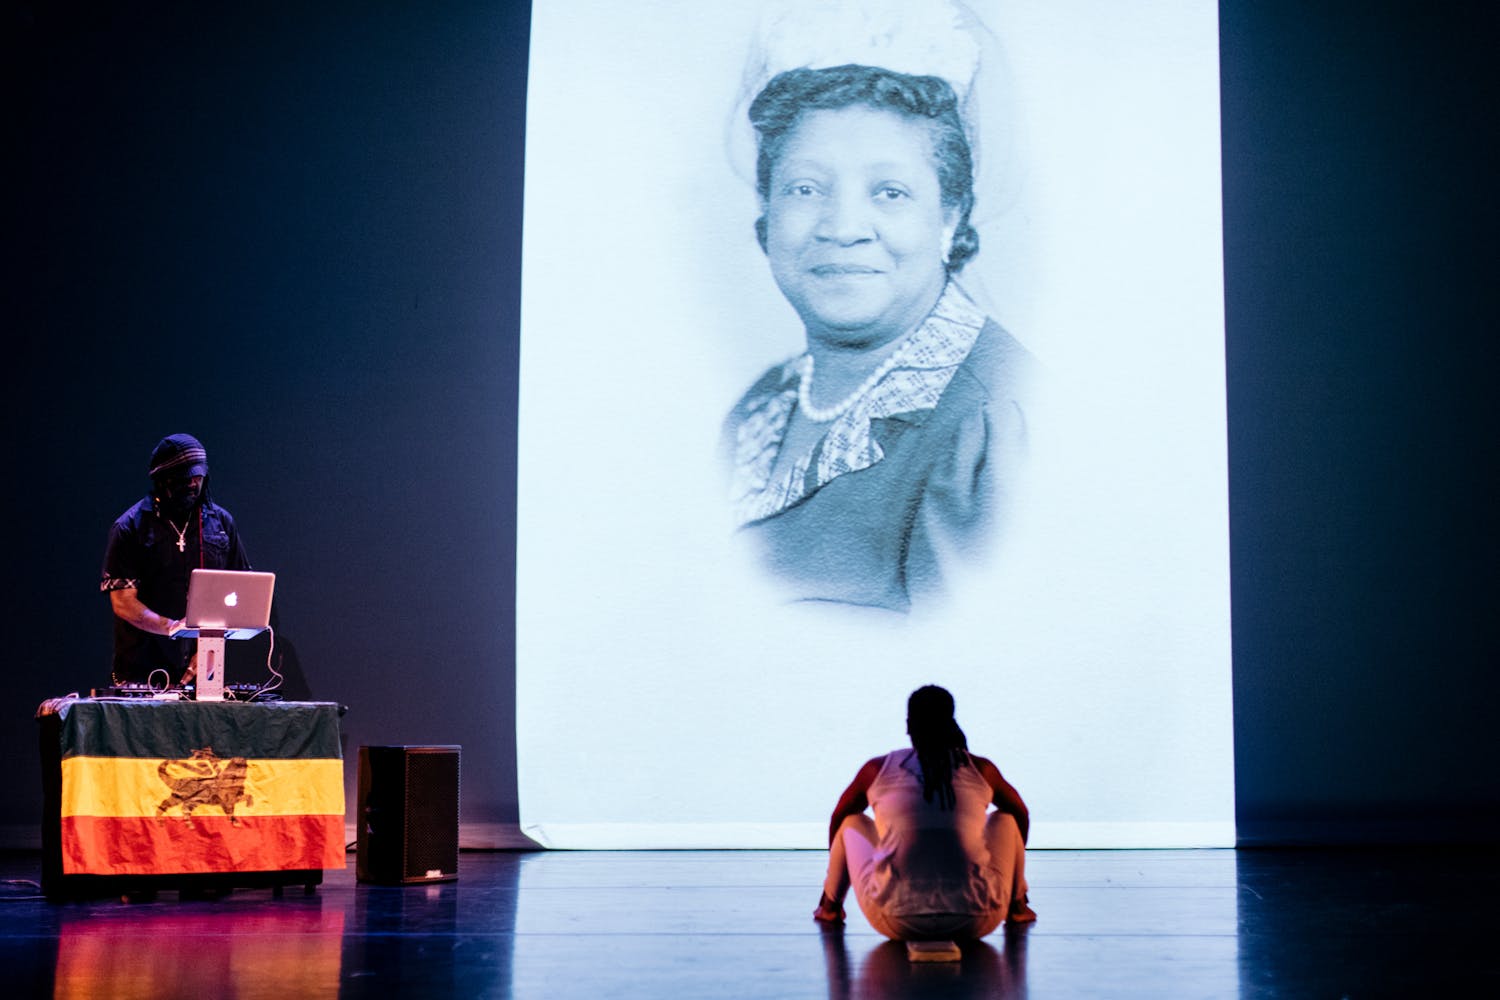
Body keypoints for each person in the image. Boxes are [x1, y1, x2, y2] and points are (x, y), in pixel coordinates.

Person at [722, 62, 1035, 613]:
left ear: (949, 219)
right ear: (766, 218)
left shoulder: (996, 418)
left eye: (889, 192)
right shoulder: (761, 407)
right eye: (805, 188)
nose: (842, 227)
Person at [814, 684, 1035, 941]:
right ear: (951, 722)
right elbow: (1022, 814)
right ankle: (1018, 907)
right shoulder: (980, 768)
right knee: (1007, 818)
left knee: (850, 820)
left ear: (908, 725)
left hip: (893, 918)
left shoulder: (877, 769)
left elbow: (837, 819)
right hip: (979, 917)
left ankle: (830, 907)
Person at [99, 433, 253, 686]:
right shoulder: (130, 527)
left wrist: (210, 648)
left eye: (198, 476)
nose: (193, 484)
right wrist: (172, 628)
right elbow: (123, 602)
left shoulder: (221, 523)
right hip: (141, 673)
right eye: (184, 478)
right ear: (163, 479)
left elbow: (241, 592)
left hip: (203, 671)